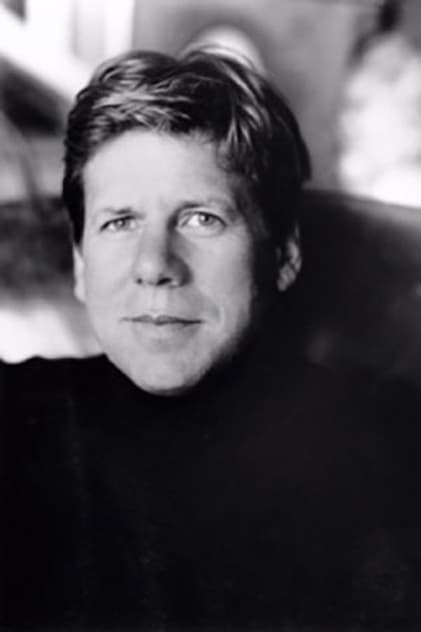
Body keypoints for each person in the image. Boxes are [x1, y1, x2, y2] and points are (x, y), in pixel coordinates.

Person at [2, 48, 421, 631]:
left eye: (201, 219)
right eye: (119, 222)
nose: (154, 264)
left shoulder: (397, 448)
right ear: (79, 264)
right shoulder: (16, 418)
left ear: (283, 254)